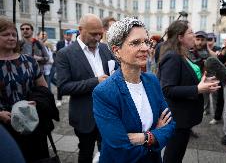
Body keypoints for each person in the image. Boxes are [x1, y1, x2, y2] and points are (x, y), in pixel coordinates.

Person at [92, 17, 175, 162]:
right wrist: (156, 134)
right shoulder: (104, 92)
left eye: (146, 41)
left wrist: (144, 137)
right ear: (117, 51)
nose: (145, 48)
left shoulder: (152, 81)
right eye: (136, 43)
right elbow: (120, 149)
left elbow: (170, 125)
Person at [56, 14, 118, 163]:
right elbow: (63, 87)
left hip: (108, 113)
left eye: (100, 34)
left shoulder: (105, 49)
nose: (97, 38)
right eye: (93, 34)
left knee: (109, 152)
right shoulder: (65, 54)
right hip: (85, 116)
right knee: (85, 153)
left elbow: (116, 70)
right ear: (80, 30)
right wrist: (95, 82)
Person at [157, 20, 220, 163]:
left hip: (185, 117)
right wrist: (198, 89)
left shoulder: (184, 54)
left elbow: (186, 79)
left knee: (177, 154)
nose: (194, 35)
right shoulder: (172, 56)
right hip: (178, 118)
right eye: (191, 33)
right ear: (180, 37)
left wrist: (203, 83)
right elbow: (167, 89)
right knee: (173, 156)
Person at [0, 18, 49, 162]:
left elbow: (43, 88)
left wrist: (37, 102)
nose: (11, 38)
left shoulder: (29, 61)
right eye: (6, 34)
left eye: (14, 34)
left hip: (29, 123)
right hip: (4, 129)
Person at [54, 29, 74, 106]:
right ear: (64, 35)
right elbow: (57, 54)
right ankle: (59, 99)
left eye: (70, 35)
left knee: (72, 81)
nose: (69, 36)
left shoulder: (73, 43)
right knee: (60, 82)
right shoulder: (60, 43)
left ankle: (70, 95)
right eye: (67, 35)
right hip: (62, 66)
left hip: (72, 66)